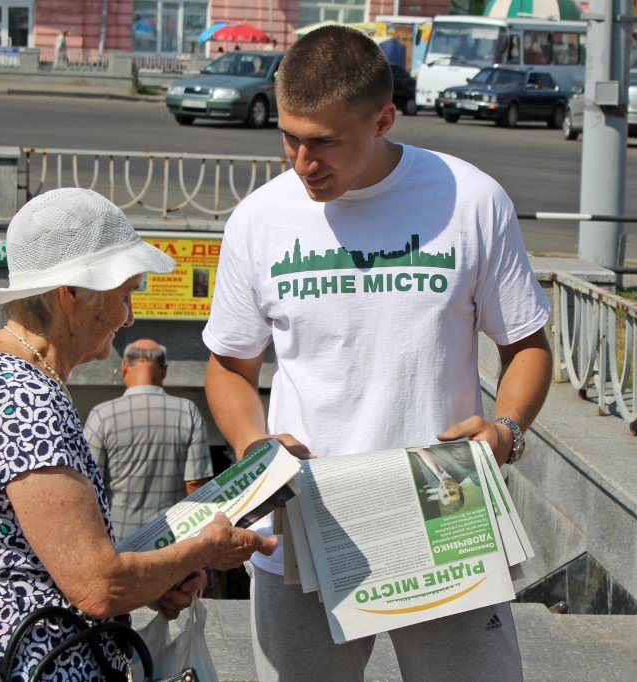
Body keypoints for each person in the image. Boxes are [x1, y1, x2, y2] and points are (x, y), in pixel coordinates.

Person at [203, 26, 552, 681]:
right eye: (290, 137)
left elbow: (527, 344)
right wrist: (255, 447)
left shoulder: (471, 200)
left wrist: (505, 431)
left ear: (384, 119)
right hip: (306, 521)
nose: (303, 162)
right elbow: (229, 365)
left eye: (326, 142)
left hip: (445, 511)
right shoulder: (259, 220)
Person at [0, 188, 276, 681]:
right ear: (71, 294)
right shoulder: (25, 396)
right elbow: (97, 586)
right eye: (124, 295)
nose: (129, 315)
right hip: (32, 662)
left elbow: (35, 551)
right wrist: (203, 550)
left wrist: (160, 571)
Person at [84, 339, 213, 543]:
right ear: (164, 371)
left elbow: (89, 483)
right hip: (170, 538)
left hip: (118, 540)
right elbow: (196, 484)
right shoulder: (187, 411)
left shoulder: (102, 415)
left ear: (124, 367)